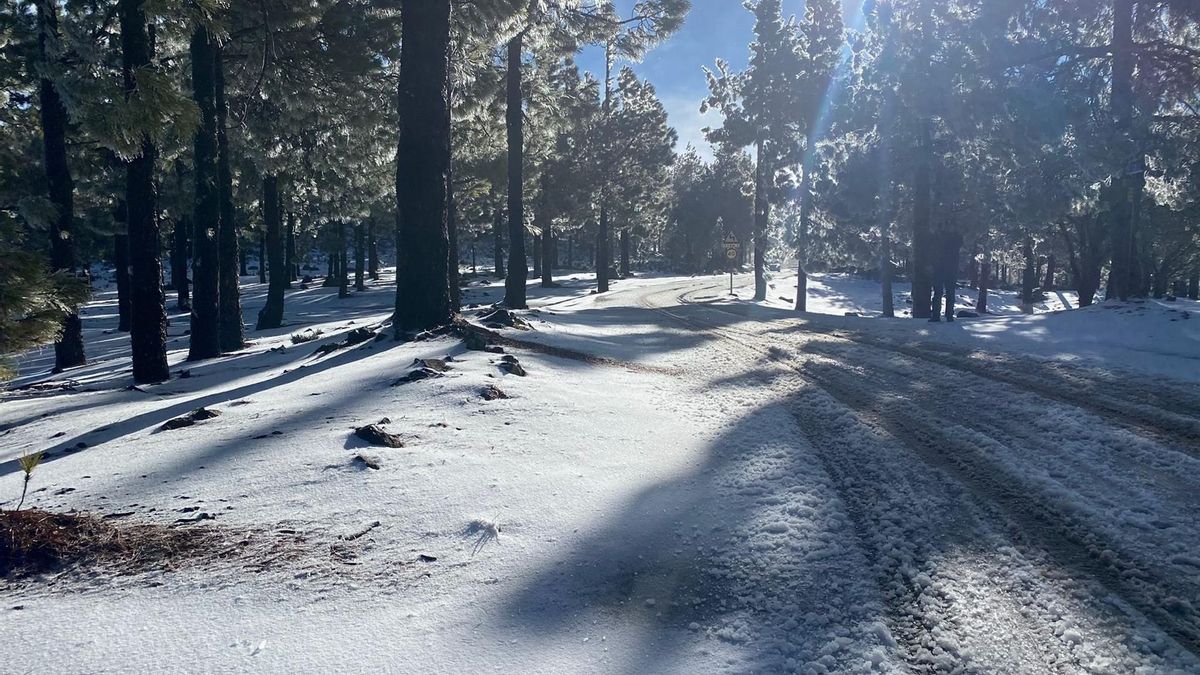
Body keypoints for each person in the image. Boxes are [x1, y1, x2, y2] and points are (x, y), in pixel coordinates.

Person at [930, 228, 963, 322]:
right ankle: (945, 315)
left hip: (943, 268)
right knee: (945, 292)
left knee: (943, 293)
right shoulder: (954, 237)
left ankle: (942, 315)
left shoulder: (940, 237)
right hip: (946, 268)